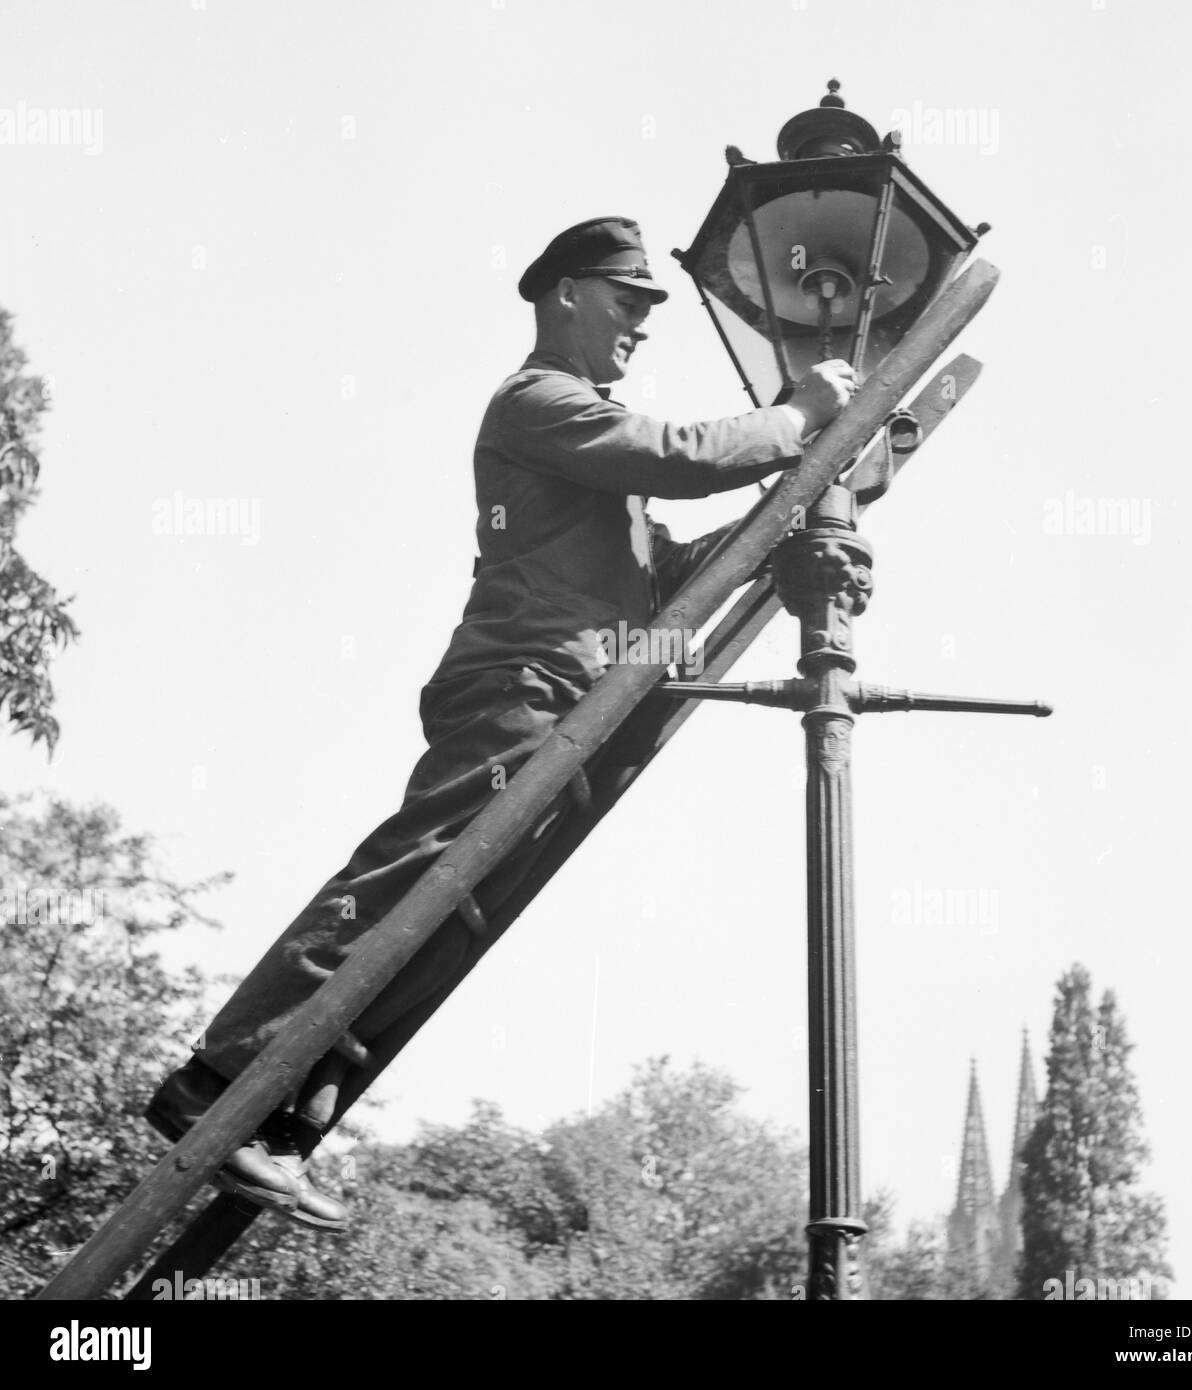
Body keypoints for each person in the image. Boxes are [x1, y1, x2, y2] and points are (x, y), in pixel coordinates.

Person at [145, 216, 857, 1229]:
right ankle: (215, 1084)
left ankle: (279, 1125)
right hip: (522, 688)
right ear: (565, 293)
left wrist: (779, 540)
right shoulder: (537, 402)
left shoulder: (584, 444)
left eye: (650, 308)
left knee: (442, 922)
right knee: (410, 880)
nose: (642, 326)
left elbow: (661, 572)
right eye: (628, 302)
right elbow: (682, 452)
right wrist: (796, 418)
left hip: (572, 698)